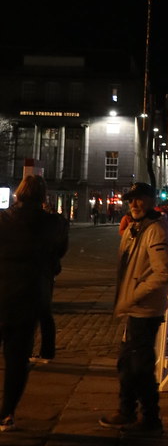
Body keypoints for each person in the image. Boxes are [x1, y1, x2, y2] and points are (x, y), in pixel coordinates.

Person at [99, 182, 168, 438]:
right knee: (126, 363)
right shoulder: (134, 228)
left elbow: (162, 273)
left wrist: (134, 295)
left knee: (140, 366)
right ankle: (126, 410)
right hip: (134, 308)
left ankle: (150, 418)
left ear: (151, 200)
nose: (134, 204)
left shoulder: (155, 231)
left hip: (145, 309)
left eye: (139, 199)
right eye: (131, 200)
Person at [0, 175, 68, 432]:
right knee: (17, 359)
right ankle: (6, 413)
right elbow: (60, 251)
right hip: (29, 295)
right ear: (43, 196)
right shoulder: (54, 222)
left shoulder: (2, 219)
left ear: (18, 193)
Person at [32, 202, 69, 364]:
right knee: (45, 313)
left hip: (33, 271)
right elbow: (62, 247)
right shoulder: (57, 223)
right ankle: (47, 352)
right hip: (46, 270)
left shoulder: (18, 219)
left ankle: (29, 351)